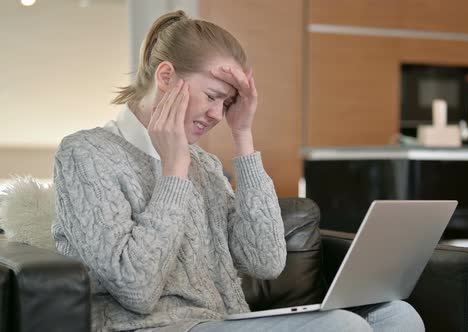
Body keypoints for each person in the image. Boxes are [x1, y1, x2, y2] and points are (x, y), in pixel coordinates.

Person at [52, 10, 425, 332]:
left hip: (223, 321)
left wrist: (243, 135)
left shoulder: (207, 165)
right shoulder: (86, 153)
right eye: (213, 96)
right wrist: (173, 174)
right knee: (341, 327)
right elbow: (137, 288)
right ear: (166, 77)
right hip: (148, 326)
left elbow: (266, 261)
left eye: (228, 103)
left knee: (397, 316)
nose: (218, 114)